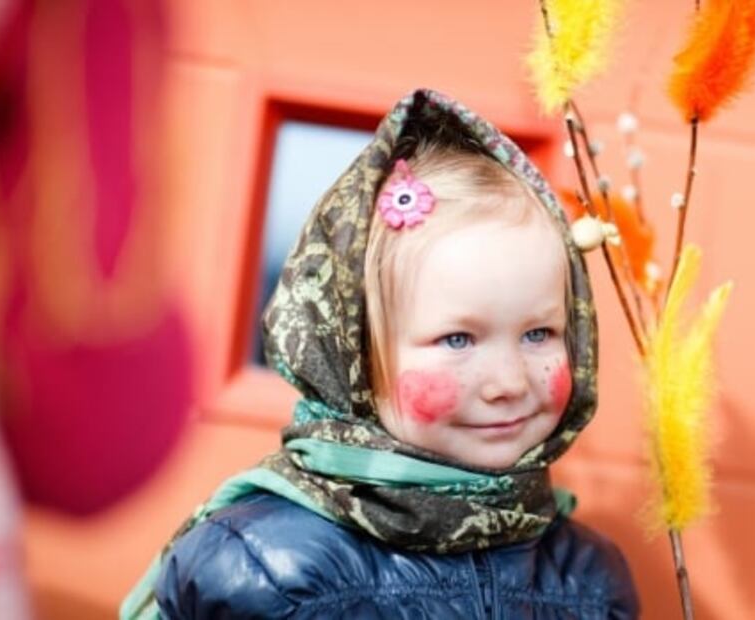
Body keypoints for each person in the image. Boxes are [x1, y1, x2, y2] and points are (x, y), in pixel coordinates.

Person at [121, 89, 639, 619]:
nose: (508, 381)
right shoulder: (263, 569)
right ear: (356, 357)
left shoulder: (591, 581)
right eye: (457, 339)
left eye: (539, 334)